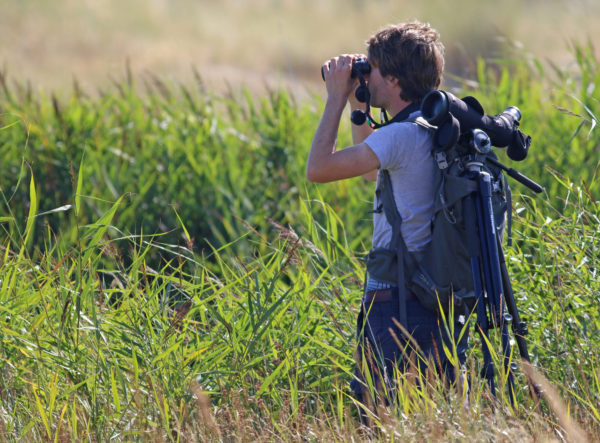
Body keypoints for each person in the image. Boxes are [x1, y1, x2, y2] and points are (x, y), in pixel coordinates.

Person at [306, 21, 467, 416]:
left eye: (372, 69)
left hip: (397, 303)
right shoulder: (430, 127)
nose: (366, 73)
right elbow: (370, 171)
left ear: (392, 79)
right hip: (434, 294)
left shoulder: (399, 137)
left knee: (377, 421)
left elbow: (319, 169)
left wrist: (335, 99)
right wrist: (362, 102)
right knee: (429, 421)